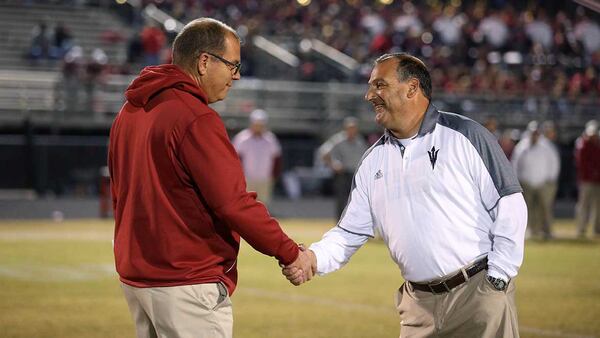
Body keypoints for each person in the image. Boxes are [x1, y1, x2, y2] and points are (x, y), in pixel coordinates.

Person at [284, 53, 527, 337]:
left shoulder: (466, 135)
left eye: (379, 85)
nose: (369, 95)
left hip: (476, 296)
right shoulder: (373, 161)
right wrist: (314, 257)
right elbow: (349, 233)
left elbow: (510, 205)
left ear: (412, 88)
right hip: (417, 308)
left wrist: (497, 280)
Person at [108, 18, 312, 338]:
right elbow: (233, 204)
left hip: (138, 279)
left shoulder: (130, 111)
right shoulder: (195, 117)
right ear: (205, 62)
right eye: (233, 64)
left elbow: (119, 193)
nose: (237, 75)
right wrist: (290, 252)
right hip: (186, 281)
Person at [512, 121, 560, 239]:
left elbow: (554, 163)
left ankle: (547, 231)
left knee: (545, 208)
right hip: (526, 183)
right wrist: (516, 180)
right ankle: (530, 231)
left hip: (544, 183)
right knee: (526, 209)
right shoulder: (522, 146)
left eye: (537, 133)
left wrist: (551, 179)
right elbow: (515, 163)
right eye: (533, 133)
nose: (535, 135)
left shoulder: (547, 146)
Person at [318, 117, 368, 220]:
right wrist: (333, 164)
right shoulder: (338, 140)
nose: (352, 130)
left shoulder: (359, 141)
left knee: (357, 199)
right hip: (342, 174)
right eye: (350, 128)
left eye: (354, 128)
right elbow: (323, 152)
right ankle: (340, 222)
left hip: (356, 174)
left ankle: (354, 222)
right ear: (345, 128)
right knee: (342, 200)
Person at [232, 109, 282, 206]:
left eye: (261, 124)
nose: (258, 127)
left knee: (263, 205)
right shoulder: (242, 138)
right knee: (246, 205)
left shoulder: (270, 139)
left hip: (265, 178)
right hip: (246, 179)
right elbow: (235, 159)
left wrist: (274, 176)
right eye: (256, 124)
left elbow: (276, 159)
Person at [574, 120, 600, 238]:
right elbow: (581, 163)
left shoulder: (597, 145)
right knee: (583, 206)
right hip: (586, 181)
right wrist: (593, 173)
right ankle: (581, 229)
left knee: (597, 206)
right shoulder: (582, 145)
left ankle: (597, 229)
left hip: (597, 181)